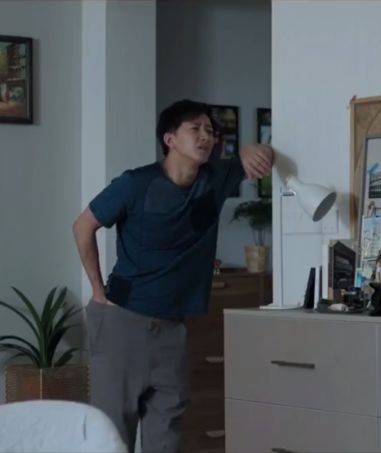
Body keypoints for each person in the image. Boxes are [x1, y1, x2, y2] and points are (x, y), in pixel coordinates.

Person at [72, 99, 274, 452]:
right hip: (123, 320)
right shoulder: (135, 184)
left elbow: (261, 155)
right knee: (111, 435)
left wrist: (249, 148)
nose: (206, 137)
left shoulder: (215, 179)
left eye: (210, 130)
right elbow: (83, 226)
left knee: (168, 435)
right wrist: (97, 290)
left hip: (173, 328)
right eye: (195, 129)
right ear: (170, 139)